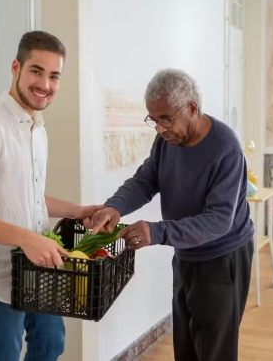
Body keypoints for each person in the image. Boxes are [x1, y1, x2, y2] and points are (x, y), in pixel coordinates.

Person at [0, 31, 101, 361]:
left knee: (50, 343)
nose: (45, 84)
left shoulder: (36, 128)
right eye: (36, 71)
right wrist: (27, 238)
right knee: (3, 355)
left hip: (35, 266)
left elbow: (28, 194)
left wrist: (77, 209)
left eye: (54, 76)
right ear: (16, 67)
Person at [90, 69, 254, 361]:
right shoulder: (166, 142)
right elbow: (145, 181)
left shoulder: (226, 148)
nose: (160, 129)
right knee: (186, 347)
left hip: (222, 259)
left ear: (192, 108)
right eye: (154, 120)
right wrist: (115, 206)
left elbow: (218, 220)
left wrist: (157, 232)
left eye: (167, 118)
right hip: (186, 254)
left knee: (215, 351)